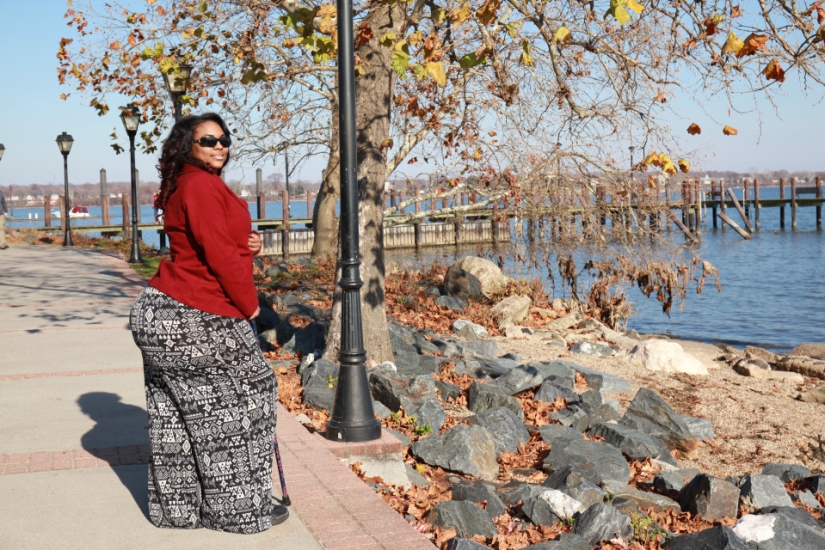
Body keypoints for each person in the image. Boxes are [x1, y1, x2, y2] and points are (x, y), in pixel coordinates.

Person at [129, 112, 284, 534]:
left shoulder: (191, 182)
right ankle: (237, 511)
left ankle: (179, 510)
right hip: (190, 316)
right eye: (208, 140)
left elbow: (206, 241)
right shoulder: (198, 185)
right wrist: (251, 307)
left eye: (224, 139)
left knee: (175, 414)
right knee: (241, 404)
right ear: (188, 146)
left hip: (171, 312)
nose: (219, 146)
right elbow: (216, 253)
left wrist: (247, 245)